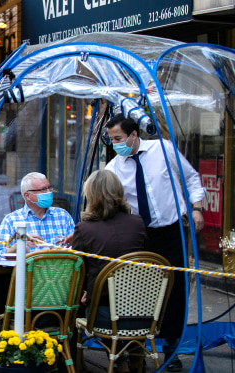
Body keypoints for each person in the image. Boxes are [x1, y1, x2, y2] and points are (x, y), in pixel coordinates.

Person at [104, 113, 206, 372]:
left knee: (175, 289)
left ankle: (172, 346)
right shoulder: (113, 167)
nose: (115, 144)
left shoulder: (163, 149)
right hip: (139, 234)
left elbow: (191, 178)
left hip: (172, 230)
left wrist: (196, 209)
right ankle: (136, 348)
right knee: (139, 291)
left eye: (119, 138)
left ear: (134, 134)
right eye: (111, 140)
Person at [72, 170, 148, 373]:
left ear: (91, 195)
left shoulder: (84, 228)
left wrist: (88, 290)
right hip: (144, 310)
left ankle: (77, 363)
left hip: (105, 315)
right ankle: (131, 359)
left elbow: (76, 269)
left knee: (74, 303)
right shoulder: (138, 223)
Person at [0, 172, 74, 257]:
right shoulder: (11, 220)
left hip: (61, 269)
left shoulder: (63, 216)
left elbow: (77, 250)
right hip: (27, 269)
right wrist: (20, 245)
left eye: (49, 188)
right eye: (43, 189)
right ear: (27, 196)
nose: (49, 192)